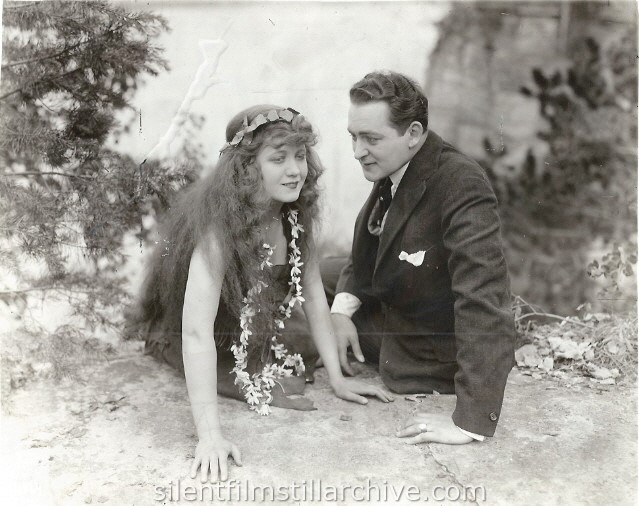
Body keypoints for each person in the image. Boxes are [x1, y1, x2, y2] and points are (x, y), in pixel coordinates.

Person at [129, 104, 392, 482]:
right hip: (215, 336)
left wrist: (337, 378)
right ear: (248, 168)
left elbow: (315, 294)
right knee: (277, 376)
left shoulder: (294, 213)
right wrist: (210, 437)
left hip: (258, 321)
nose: (294, 170)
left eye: (300, 156)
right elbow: (196, 332)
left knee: (307, 348)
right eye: (278, 159)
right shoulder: (218, 233)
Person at [326, 71, 516, 445]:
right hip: (402, 298)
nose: (357, 151)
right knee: (308, 276)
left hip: (425, 348)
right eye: (353, 136)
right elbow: (369, 244)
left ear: (413, 133)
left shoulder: (462, 185)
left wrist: (470, 423)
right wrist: (341, 310)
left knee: (298, 306)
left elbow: (483, 301)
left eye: (371, 139)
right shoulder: (395, 163)